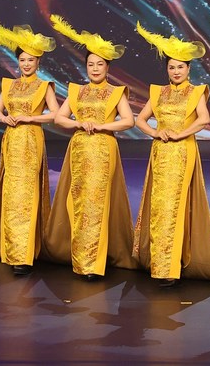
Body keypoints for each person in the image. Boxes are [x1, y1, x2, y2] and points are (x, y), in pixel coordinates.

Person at [132, 22, 210, 286]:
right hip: (161, 152)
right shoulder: (158, 92)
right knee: (160, 205)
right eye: (172, 67)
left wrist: (180, 134)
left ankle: (172, 264)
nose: (175, 71)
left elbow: (204, 119)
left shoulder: (196, 92)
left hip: (182, 152)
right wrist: (156, 132)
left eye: (180, 67)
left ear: (188, 69)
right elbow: (140, 119)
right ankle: (160, 263)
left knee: (176, 205)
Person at [45, 14, 137, 280]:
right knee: (78, 200)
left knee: (97, 202)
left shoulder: (115, 92)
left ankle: (93, 262)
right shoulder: (77, 91)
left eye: (100, 64)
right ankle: (80, 256)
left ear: (108, 67)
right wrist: (78, 123)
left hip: (103, 149)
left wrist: (102, 126)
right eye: (90, 64)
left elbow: (128, 121)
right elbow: (60, 118)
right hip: (79, 148)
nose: (95, 69)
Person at [0, 22, 59, 275]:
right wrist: (5, 118)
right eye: (22, 60)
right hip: (12, 139)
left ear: (38, 63)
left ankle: (24, 253)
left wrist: (30, 118)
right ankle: (11, 248)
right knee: (12, 192)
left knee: (27, 192)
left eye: (30, 60)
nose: (26, 64)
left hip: (32, 139)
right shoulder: (9, 85)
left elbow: (55, 114)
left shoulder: (44, 86)